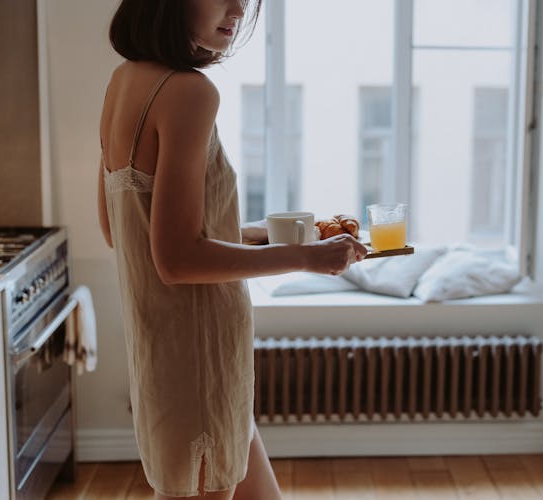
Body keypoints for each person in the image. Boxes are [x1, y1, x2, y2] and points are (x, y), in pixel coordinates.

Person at [97, 1, 367, 498]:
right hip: (201, 358)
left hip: (171, 352)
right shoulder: (188, 92)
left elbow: (123, 229)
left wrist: (260, 232)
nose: (239, 8)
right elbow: (176, 260)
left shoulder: (124, 80)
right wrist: (309, 259)